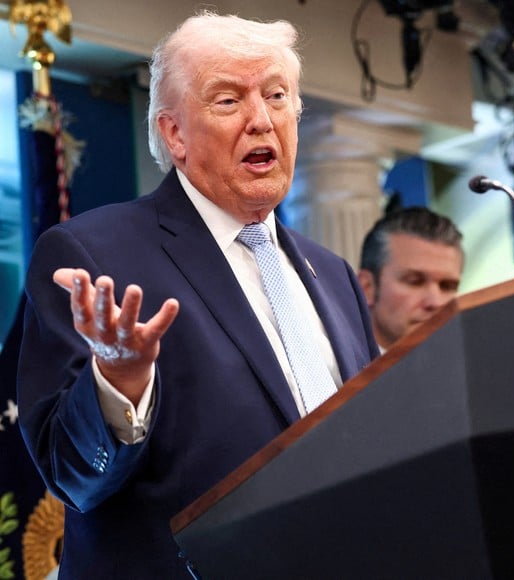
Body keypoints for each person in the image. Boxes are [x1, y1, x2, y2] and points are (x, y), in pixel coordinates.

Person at [16, 11, 379, 579]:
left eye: (277, 96)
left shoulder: (332, 274)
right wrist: (118, 383)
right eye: (229, 101)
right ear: (174, 133)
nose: (262, 120)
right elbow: (71, 476)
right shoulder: (93, 254)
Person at [358, 206, 464, 351]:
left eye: (447, 286)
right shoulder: (334, 370)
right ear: (367, 287)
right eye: (415, 281)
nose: (435, 302)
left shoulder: (476, 369)